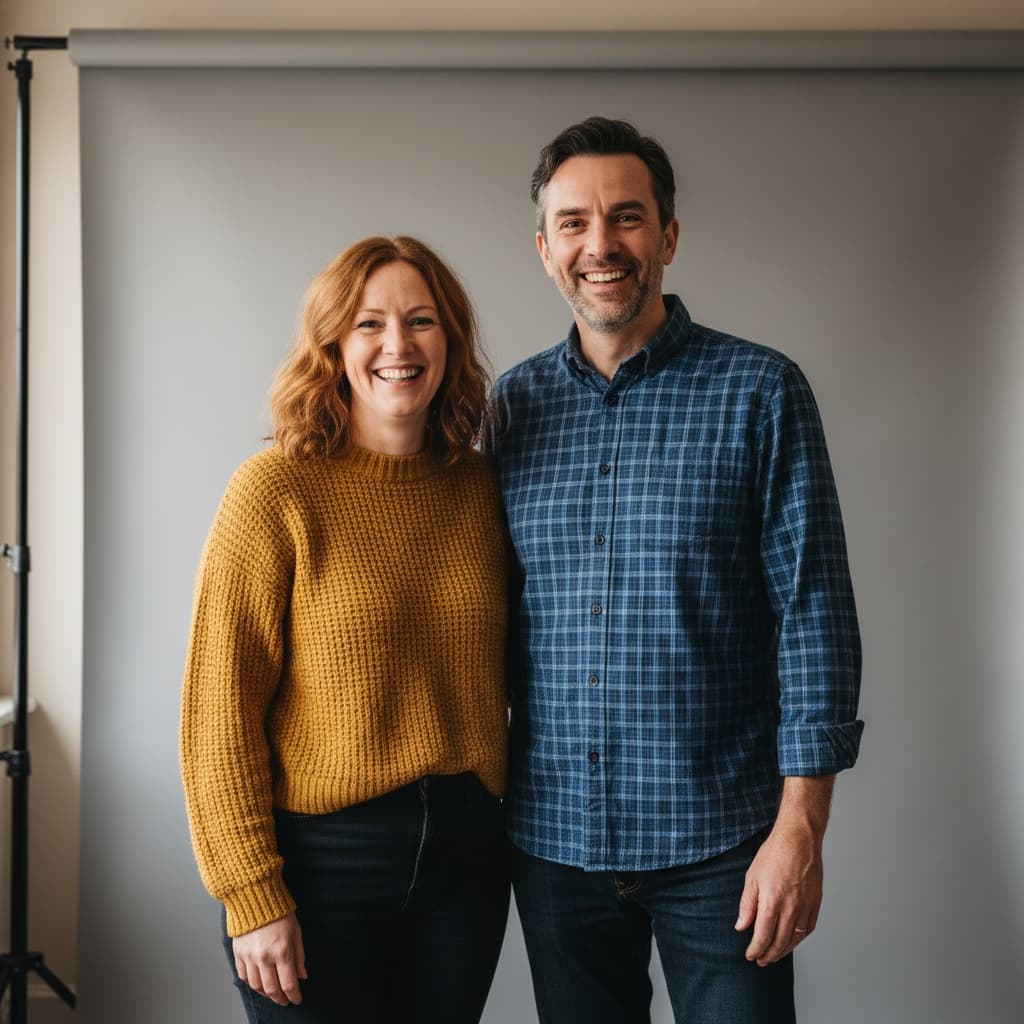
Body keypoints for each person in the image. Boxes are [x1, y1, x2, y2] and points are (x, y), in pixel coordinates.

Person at [484, 117, 863, 1024]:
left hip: (725, 849)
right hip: (555, 846)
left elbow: (817, 617)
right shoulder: (510, 409)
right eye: (573, 223)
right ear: (545, 249)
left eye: (627, 217)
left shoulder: (760, 391)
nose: (601, 244)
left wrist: (799, 831)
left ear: (668, 236)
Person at [181, 236, 510, 1024]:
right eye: (369, 323)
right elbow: (216, 714)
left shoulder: (481, 489)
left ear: (451, 341)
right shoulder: (274, 492)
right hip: (321, 860)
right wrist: (251, 894)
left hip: (465, 862)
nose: (398, 345)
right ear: (333, 346)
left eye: (422, 320)